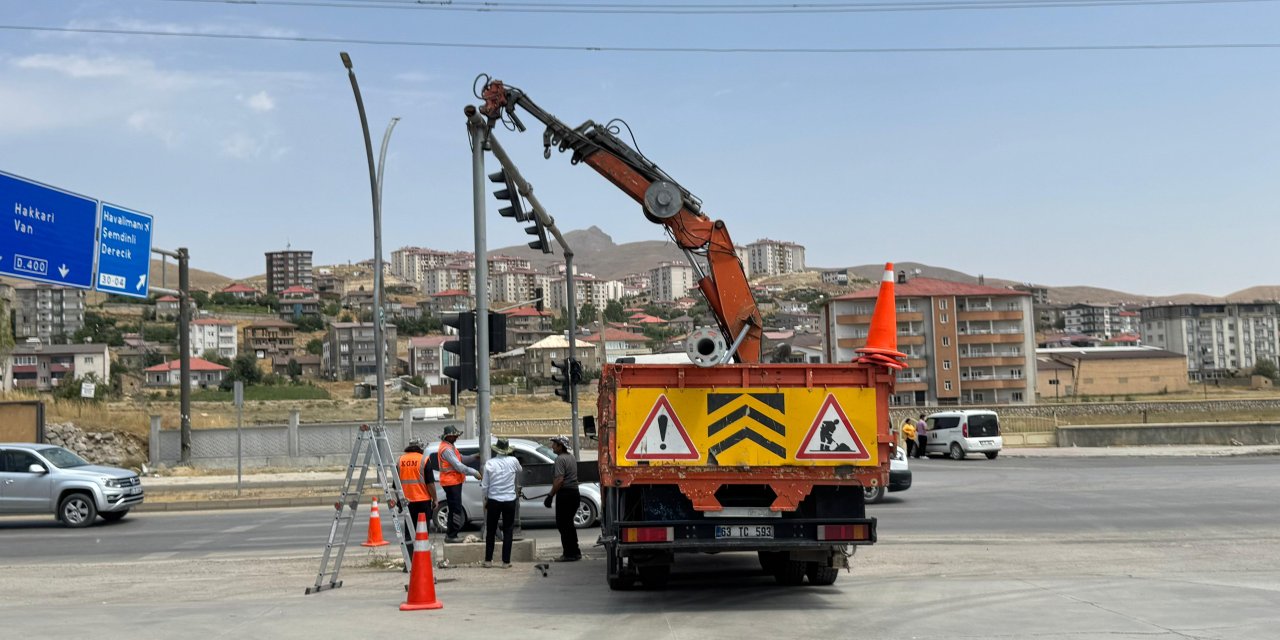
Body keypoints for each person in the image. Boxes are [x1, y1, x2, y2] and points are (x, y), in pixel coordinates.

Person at [480, 438, 522, 568]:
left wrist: (485, 500)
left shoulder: (490, 463)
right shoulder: (513, 461)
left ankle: (488, 560)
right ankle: (506, 561)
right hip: (510, 500)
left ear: (496, 450)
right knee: (508, 530)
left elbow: (485, 486)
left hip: (494, 500)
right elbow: (519, 469)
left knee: (491, 530)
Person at [437, 425, 482, 543]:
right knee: (455, 509)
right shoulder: (446, 449)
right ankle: (452, 535)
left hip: (453, 482)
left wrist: (474, 457)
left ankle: (451, 534)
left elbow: (461, 459)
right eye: (455, 435)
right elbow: (458, 466)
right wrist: (474, 472)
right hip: (451, 482)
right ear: (449, 436)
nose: (457, 437)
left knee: (454, 509)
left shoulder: (450, 446)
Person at [543, 435, 581, 561]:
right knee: (569, 524)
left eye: (554, 444)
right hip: (574, 494)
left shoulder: (560, 459)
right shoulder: (571, 457)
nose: (552, 446)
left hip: (565, 495)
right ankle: (575, 552)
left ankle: (569, 554)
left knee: (563, 525)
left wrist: (550, 496)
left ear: (560, 446)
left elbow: (559, 480)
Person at [397, 438, 435, 545]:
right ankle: (422, 557)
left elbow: (396, 485)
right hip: (423, 501)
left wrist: (399, 502)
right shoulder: (424, 459)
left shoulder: (400, 460)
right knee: (422, 531)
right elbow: (430, 484)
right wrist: (435, 499)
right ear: (420, 447)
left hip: (406, 502)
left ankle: (409, 558)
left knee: (409, 531)